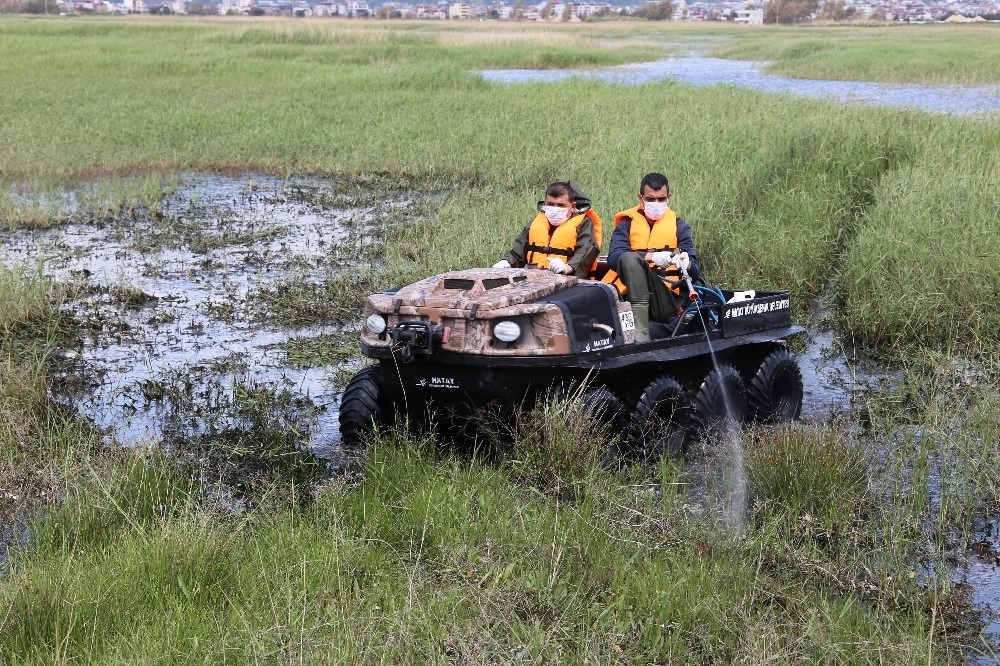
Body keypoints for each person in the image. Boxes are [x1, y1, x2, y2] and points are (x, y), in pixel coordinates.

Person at [605, 172, 700, 342]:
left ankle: (641, 335)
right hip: (627, 294)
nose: (656, 204)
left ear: (668, 197)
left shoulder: (680, 226)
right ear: (640, 198)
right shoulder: (626, 223)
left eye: (661, 199)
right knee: (628, 259)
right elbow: (614, 257)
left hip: (664, 301)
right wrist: (652, 257)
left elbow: (695, 273)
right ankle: (638, 324)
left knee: (631, 259)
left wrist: (687, 264)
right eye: (650, 199)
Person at [493, 181, 601, 278]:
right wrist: (506, 262)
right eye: (550, 204)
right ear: (545, 203)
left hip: (569, 281)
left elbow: (586, 250)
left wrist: (567, 267)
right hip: (534, 279)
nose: (555, 209)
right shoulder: (537, 222)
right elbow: (519, 251)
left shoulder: (584, 223)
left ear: (572, 206)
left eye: (561, 205)